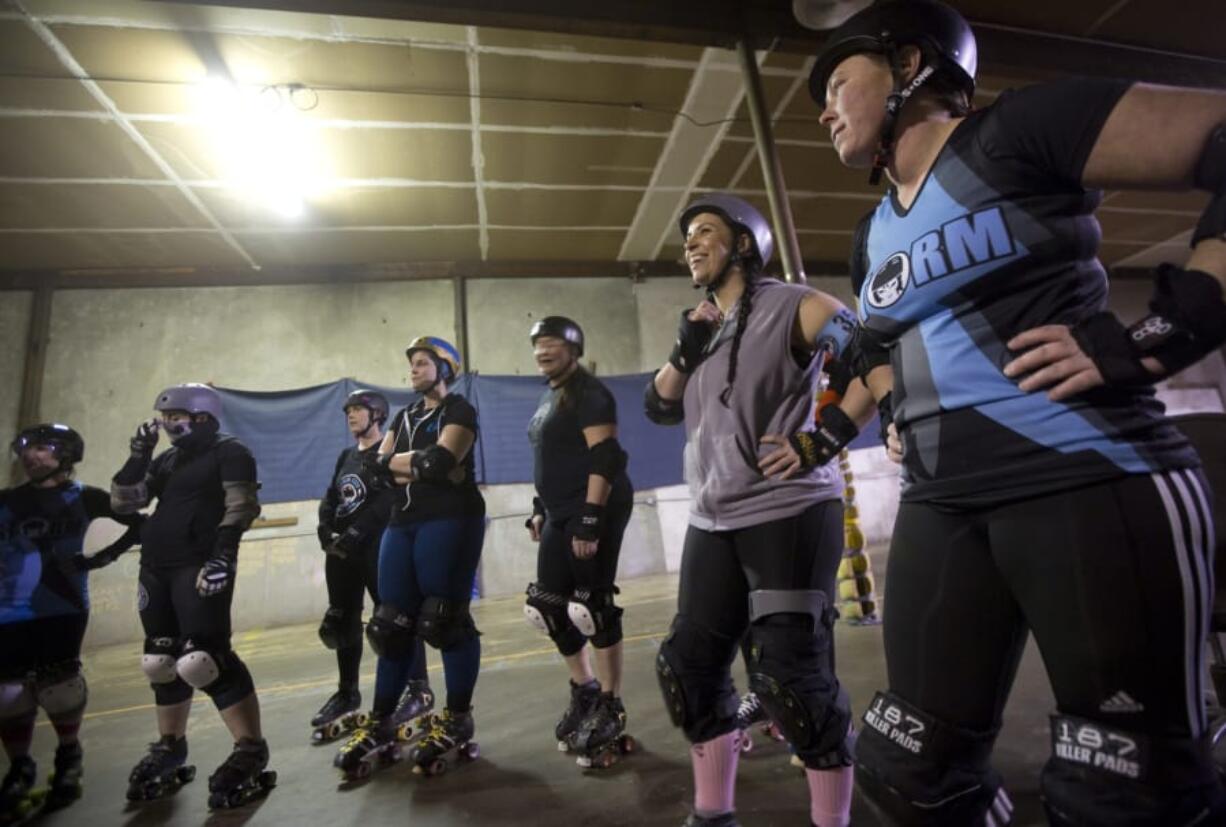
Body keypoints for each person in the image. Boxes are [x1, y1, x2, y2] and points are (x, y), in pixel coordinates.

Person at [809, 1, 1226, 824]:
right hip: (943, 501)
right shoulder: (870, 236)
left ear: (911, 63)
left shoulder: (1016, 132)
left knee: (1126, 794)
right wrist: (895, 406)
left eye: (836, 80)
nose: (823, 106)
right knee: (908, 768)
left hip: (1085, 474)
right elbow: (880, 345)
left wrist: (1170, 326)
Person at [645, 193, 873, 827]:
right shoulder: (700, 329)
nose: (690, 243)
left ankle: (833, 820)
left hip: (789, 510)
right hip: (711, 520)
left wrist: (825, 434)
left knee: (790, 685)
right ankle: (713, 814)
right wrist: (683, 348)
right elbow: (657, 407)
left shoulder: (794, 305)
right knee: (687, 670)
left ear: (744, 244)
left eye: (706, 232)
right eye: (686, 235)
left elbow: (870, 355)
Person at [111, 383, 273, 809]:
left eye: (174, 417)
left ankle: (250, 747)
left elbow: (241, 506)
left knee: (203, 658)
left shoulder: (230, 451)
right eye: (164, 417)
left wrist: (222, 556)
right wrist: (138, 457)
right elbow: (124, 503)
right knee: (160, 661)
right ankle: (171, 746)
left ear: (202, 416)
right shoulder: (166, 459)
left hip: (198, 564)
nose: (166, 425)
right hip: (156, 566)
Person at [334, 337, 485, 777]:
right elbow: (378, 472)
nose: (414, 370)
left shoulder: (459, 411)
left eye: (423, 363)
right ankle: (382, 723)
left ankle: (458, 717)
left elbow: (440, 462)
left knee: (444, 617)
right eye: (412, 364)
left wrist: (413, 464)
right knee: (391, 622)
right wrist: (418, 465)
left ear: (444, 368)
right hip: (402, 523)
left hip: (450, 519)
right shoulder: (403, 416)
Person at [0, 424, 143, 819]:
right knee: (8, 695)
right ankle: (20, 767)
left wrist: (99, 559)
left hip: (62, 607)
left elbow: (140, 525)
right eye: (25, 449)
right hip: (7, 609)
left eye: (42, 448)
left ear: (65, 455)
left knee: (58, 687)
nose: (31, 456)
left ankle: (68, 758)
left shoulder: (85, 498)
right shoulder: (7, 501)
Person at [522, 316, 635, 764]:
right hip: (558, 510)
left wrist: (591, 518)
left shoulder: (591, 393)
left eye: (552, 343)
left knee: (591, 606)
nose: (543, 351)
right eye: (537, 345)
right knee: (547, 605)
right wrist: (538, 507)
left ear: (573, 348)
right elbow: (549, 457)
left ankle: (610, 703)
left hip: (593, 504)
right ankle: (585, 689)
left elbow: (605, 456)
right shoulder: (550, 397)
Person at [312, 389, 432, 742]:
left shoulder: (389, 455)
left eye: (358, 410)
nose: (351, 416)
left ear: (377, 415)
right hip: (343, 552)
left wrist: (358, 532)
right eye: (348, 410)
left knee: (393, 620)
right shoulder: (347, 455)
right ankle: (348, 692)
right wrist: (324, 527)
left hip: (377, 548)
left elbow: (389, 499)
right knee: (341, 620)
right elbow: (333, 494)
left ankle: (418, 690)